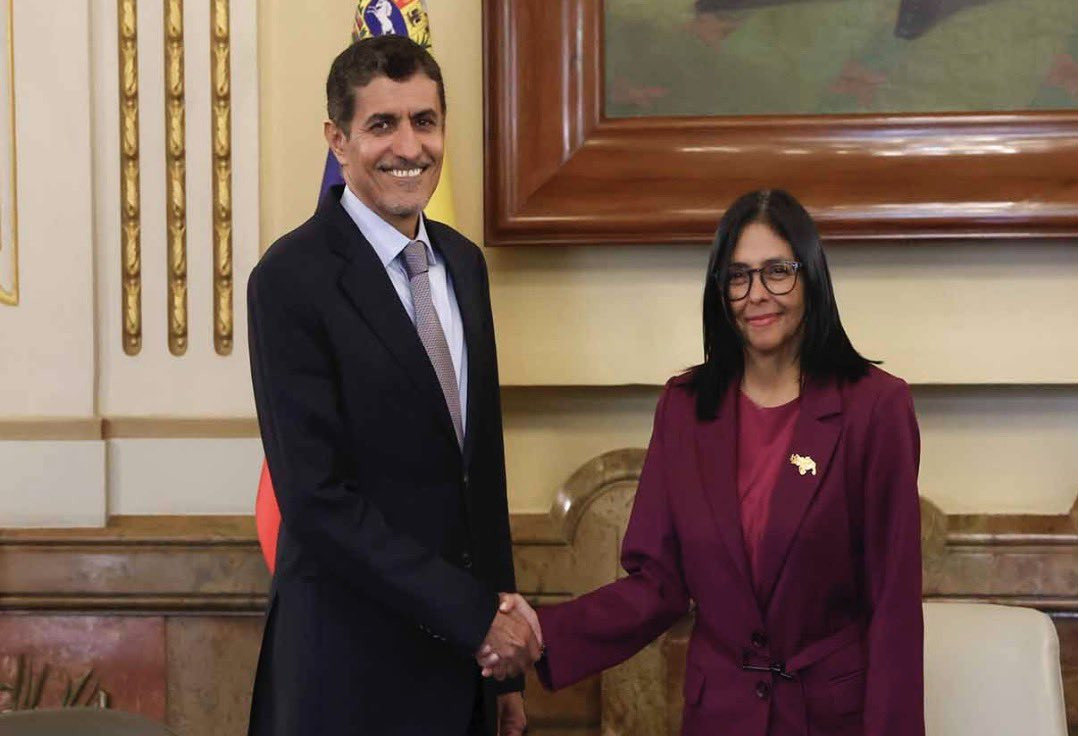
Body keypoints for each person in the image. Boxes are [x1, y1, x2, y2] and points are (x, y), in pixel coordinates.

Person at [492, 189, 925, 735]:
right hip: (719, 715)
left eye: (777, 272)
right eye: (738, 276)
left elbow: (893, 607)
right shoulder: (684, 407)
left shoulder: (876, 408)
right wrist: (543, 632)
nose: (756, 294)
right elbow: (658, 583)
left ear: (812, 276)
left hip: (829, 718)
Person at [246, 35, 541, 736]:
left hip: (463, 674)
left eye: (424, 121)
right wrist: (478, 618)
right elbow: (317, 502)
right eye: (382, 124)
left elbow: (480, 477)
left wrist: (504, 676)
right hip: (348, 676)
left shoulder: (463, 264)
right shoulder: (289, 279)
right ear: (338, 140)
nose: (409, 147)